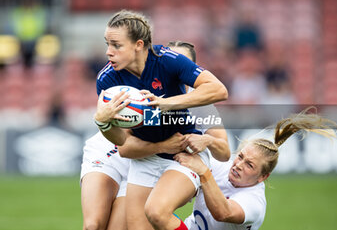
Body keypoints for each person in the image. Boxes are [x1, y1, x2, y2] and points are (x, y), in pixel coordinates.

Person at [81, 37, 229, 230]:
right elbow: (126, 147)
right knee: (93, 225)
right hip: (113, 152)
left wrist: (206, 140)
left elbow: (224, 152)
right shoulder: (150, 101)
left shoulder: (203, 107)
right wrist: (164, 146)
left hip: (142, 159)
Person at [173, 108, 337, 230]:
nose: (238, 165)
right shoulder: (223, 166)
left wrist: (202, 173)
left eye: (249, 165)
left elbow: (223, 212)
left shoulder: (254, 203)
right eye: (241, 156)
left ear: (262, 177)